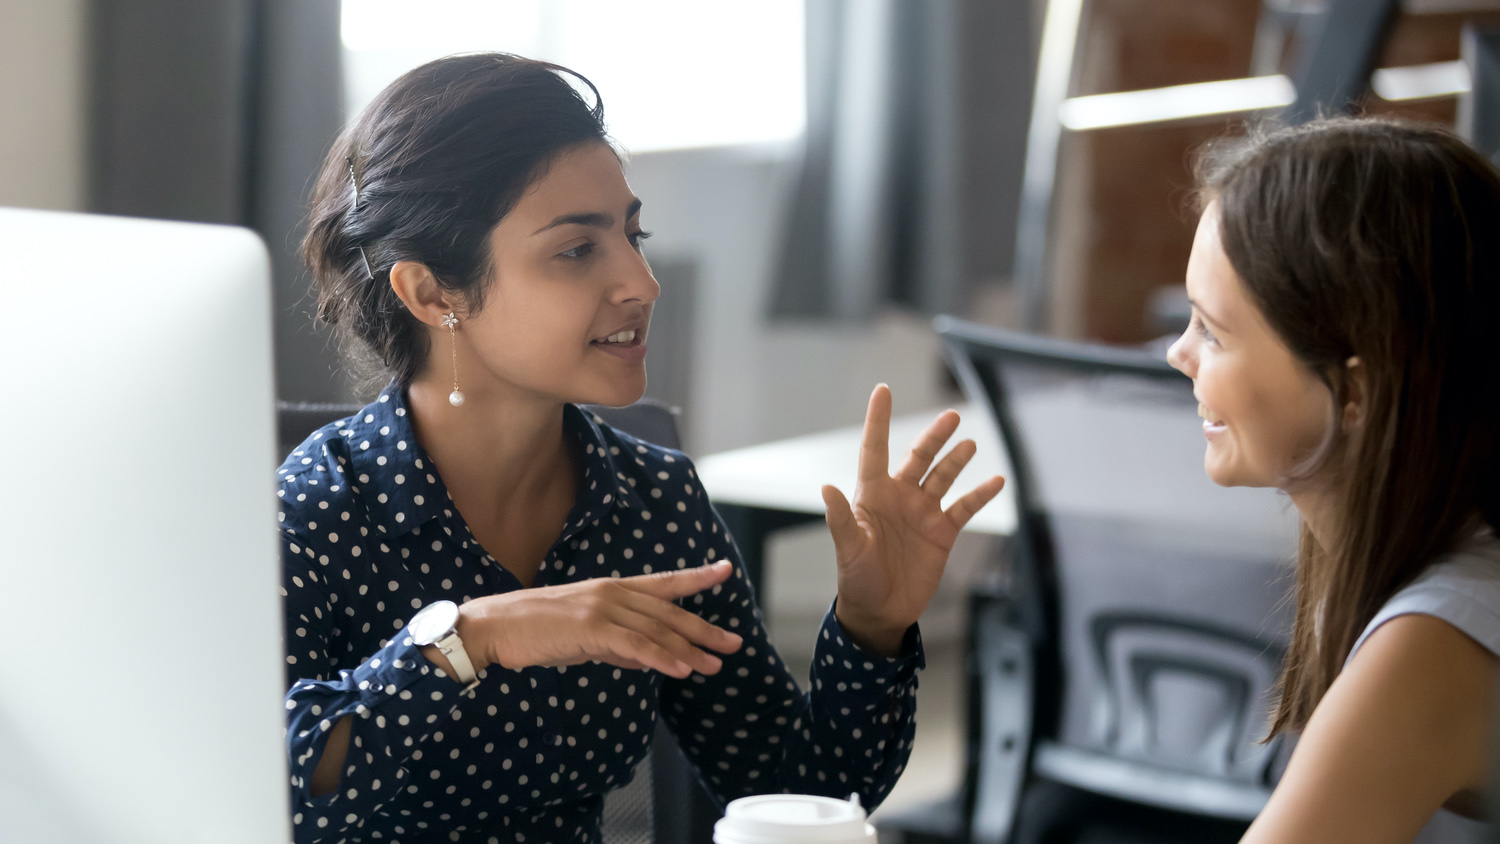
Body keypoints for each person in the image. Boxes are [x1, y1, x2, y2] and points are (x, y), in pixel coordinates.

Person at [278, 53, 1005, 843]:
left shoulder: (652, 503)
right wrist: (474, 637)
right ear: (433, 294)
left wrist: (870, 626)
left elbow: (797, 792)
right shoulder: (317, 510)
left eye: (633, 233)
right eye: (576, 250)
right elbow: (280, 787)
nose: (642, 281)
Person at [1167, 116, 1500, 843]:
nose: (1178, 354)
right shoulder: (1416, 559)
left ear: (1354, 393)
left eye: (1212, 331)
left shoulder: (1432, 641)